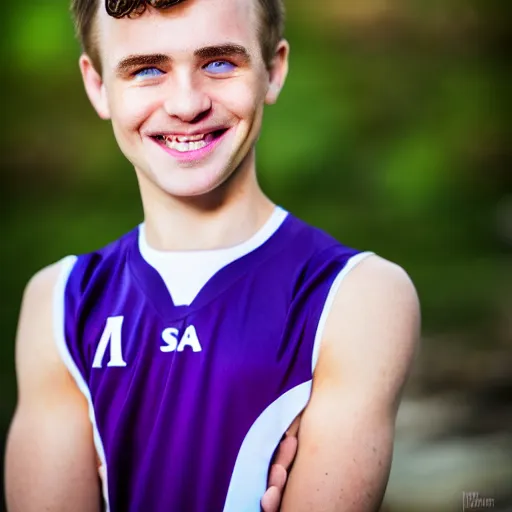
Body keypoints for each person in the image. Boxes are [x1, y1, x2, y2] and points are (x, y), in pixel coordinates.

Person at [5, 0, 421, 510]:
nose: (186, 104)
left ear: (273, 70)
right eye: (147, 69)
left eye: (219, 63)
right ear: (97, 86)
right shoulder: (60, 303)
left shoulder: (356, 294)